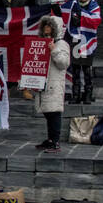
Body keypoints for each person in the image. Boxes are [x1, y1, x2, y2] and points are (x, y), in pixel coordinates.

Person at [33, 14, 71, 153]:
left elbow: (64, 64)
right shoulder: (41, 41)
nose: (46, 28)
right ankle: (50, 139)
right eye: (45, 25)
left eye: (49, 25)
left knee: (54, 112)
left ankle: (55, 141)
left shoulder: (61, 44)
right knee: (48, 112)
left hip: (54, 83)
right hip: (42, 82)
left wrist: (53, 50)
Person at [62, 0, 99, 104]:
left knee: (87, 69)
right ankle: (76, 94)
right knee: (76, 68)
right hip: (75, 39)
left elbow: (95, 20)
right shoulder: (73, 5)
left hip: (88, 40)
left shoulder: (94, 5)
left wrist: (81, 14)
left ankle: (88, 94)